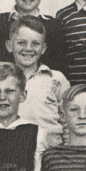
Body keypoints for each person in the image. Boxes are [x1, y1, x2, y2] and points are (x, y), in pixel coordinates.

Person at [8, 15, 70, 148]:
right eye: (21, 43)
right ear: (9, 45)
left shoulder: (55, 79)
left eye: (35, 44)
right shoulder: (3, 80)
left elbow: (68, 123)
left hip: (51, 153)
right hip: (14, 151)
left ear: (43, 48)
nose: (28, 48)